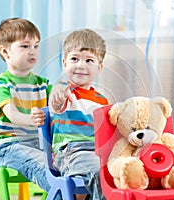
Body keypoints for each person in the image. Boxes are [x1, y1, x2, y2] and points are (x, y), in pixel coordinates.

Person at [0, 17, 52, 192]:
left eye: (36, 46)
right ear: (5, 52)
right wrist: (31, 119)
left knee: (72, 164)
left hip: (37, 145)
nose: (33, 51)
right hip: (9, 146)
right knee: (47, 168)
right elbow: (12, 114)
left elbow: (59, 102)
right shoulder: (2, 84)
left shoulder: (43, 84)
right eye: (25, 46)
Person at [49, 29, 109, 200]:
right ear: (64, 63)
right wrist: (58, 94)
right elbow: (56, 102)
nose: (81, 65)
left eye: (89, 60)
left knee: (119, 170)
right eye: (74, 59)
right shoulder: (63, 90)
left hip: (95, 153)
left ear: (99, 67)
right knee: (102, 172)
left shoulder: (102, 100)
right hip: (70, 152)